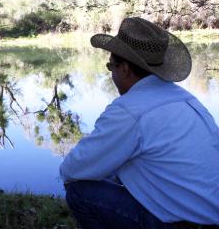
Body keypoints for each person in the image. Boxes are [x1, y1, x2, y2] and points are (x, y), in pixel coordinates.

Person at [60, 17, 219, 229]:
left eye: (111, 66)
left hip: (183, 224)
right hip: (210, 216)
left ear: (124, 69)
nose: (113, 74)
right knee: (120, 171)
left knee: (80, 191)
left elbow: (71, 170)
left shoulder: (129, 110)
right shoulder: (186, 98)